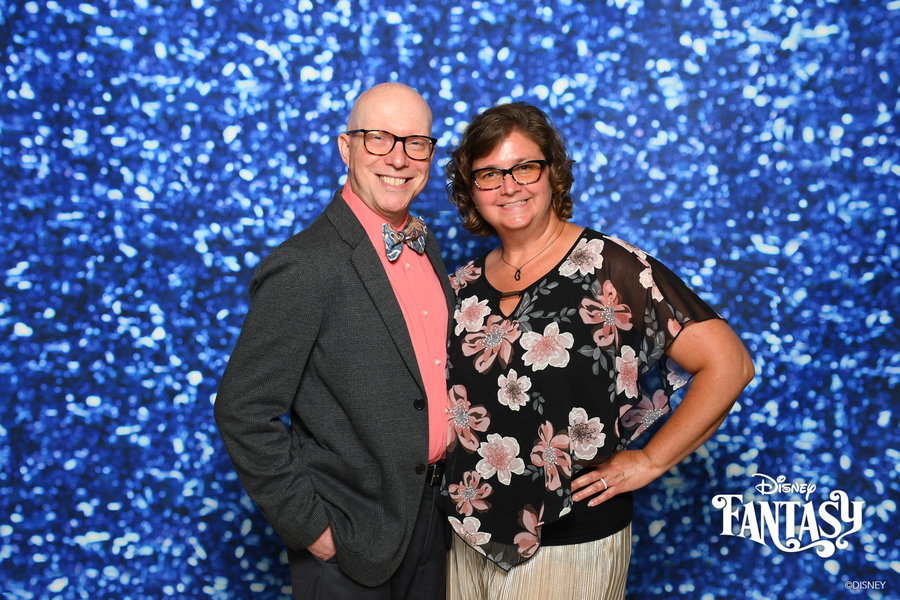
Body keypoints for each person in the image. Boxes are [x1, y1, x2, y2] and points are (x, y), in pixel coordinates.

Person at [440, 102, 754, 600]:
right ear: (470, 189)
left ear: (552, 174)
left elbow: (730, 363)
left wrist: (650, 461)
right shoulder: (460, 287)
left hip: (570, 541)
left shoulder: (608, 267)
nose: (509, 184)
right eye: (489, 174)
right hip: (464, 539)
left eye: (525, 167)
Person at [214, 82, 454, 599]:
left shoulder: (425, 243)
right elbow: (243, 410)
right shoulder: (306, 265)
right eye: (378, 139)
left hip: (434, 524)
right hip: (353, 540)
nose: (399, 158)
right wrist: (315, 532)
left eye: (416, 142)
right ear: (345, 148)